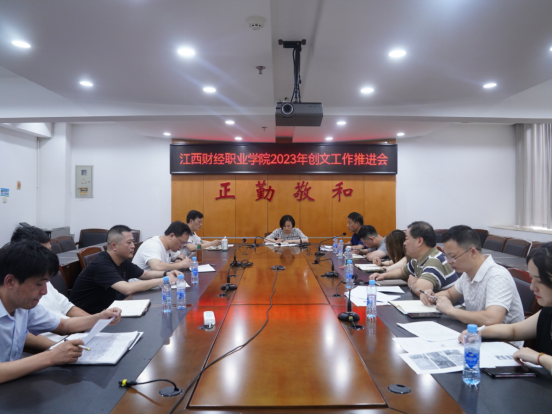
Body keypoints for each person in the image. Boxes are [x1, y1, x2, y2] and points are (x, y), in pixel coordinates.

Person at [0, 241, 121, 384]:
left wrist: (99, 318)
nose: (45, 291)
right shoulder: (23, 302)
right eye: (39, 284)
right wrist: (51, 357)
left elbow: (62, 325)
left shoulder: (23, 305)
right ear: (10, 282)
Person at [459, 242, 552, 375]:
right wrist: (479, 332)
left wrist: (539, 357)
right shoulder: (547, 312)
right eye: (531, 279)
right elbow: (513, 330)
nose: (532, 287)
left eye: (540, 281)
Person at [421, 226, 524, 346]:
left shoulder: (497, 276)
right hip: (476, 336)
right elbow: (450, 294)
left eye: (452, 256)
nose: (448, 261)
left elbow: (492, 319)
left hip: (503, 345)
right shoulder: (467, 273)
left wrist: (450, 310)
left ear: (473, 252)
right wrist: (432, 297)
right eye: (447, 256)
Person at [70, 225, 180, 314]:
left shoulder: (122, 260)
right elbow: (127, 289)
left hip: (108, 311)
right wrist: (164, 280)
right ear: (114, 246)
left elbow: (144, 274)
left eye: (133, 242)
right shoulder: (101, 264)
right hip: (86, 319)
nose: (133, 246)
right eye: (129, 242)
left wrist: (166, 273)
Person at [10, 226, 92, 341]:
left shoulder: (43, 279)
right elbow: (19, 334)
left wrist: (98, 322)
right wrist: (57, 348)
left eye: (50, 251)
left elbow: (66, 311)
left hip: (70, 337)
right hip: (56, 344)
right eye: (44, 253)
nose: (44, 291)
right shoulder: (19, 294)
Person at [375, 221, 459, 297]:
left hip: (450, 308)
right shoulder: (417, 259)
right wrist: (383, 276)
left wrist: (413, 283)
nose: (404, 243)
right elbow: (402, 271)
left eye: (406, 239)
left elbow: (423, 290)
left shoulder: (434, 260)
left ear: (419, 241)